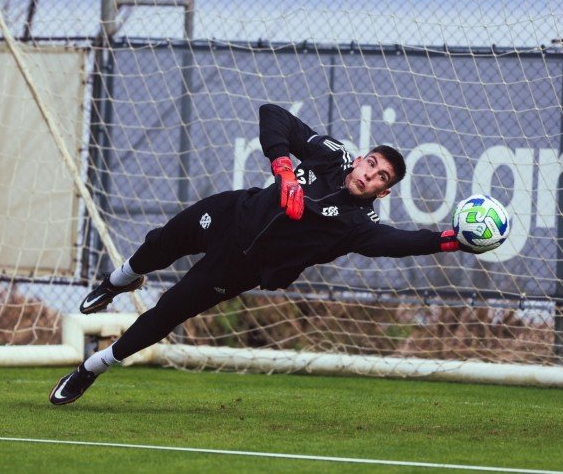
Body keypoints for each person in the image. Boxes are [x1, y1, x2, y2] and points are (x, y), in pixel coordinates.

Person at [49, 103, 479, 405]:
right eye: (371, 164)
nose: (369, 175)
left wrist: (450, 240)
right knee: (158, 245)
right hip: (229, 213)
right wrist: (284, 170)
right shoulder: (331, 154)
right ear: (361, 159)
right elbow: (272, 114)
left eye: (380, 177)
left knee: (166, 314)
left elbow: (400, 244)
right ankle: (116, 281)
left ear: (383, 191)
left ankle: (92, 369)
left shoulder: (356, 226)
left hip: (238, 268)